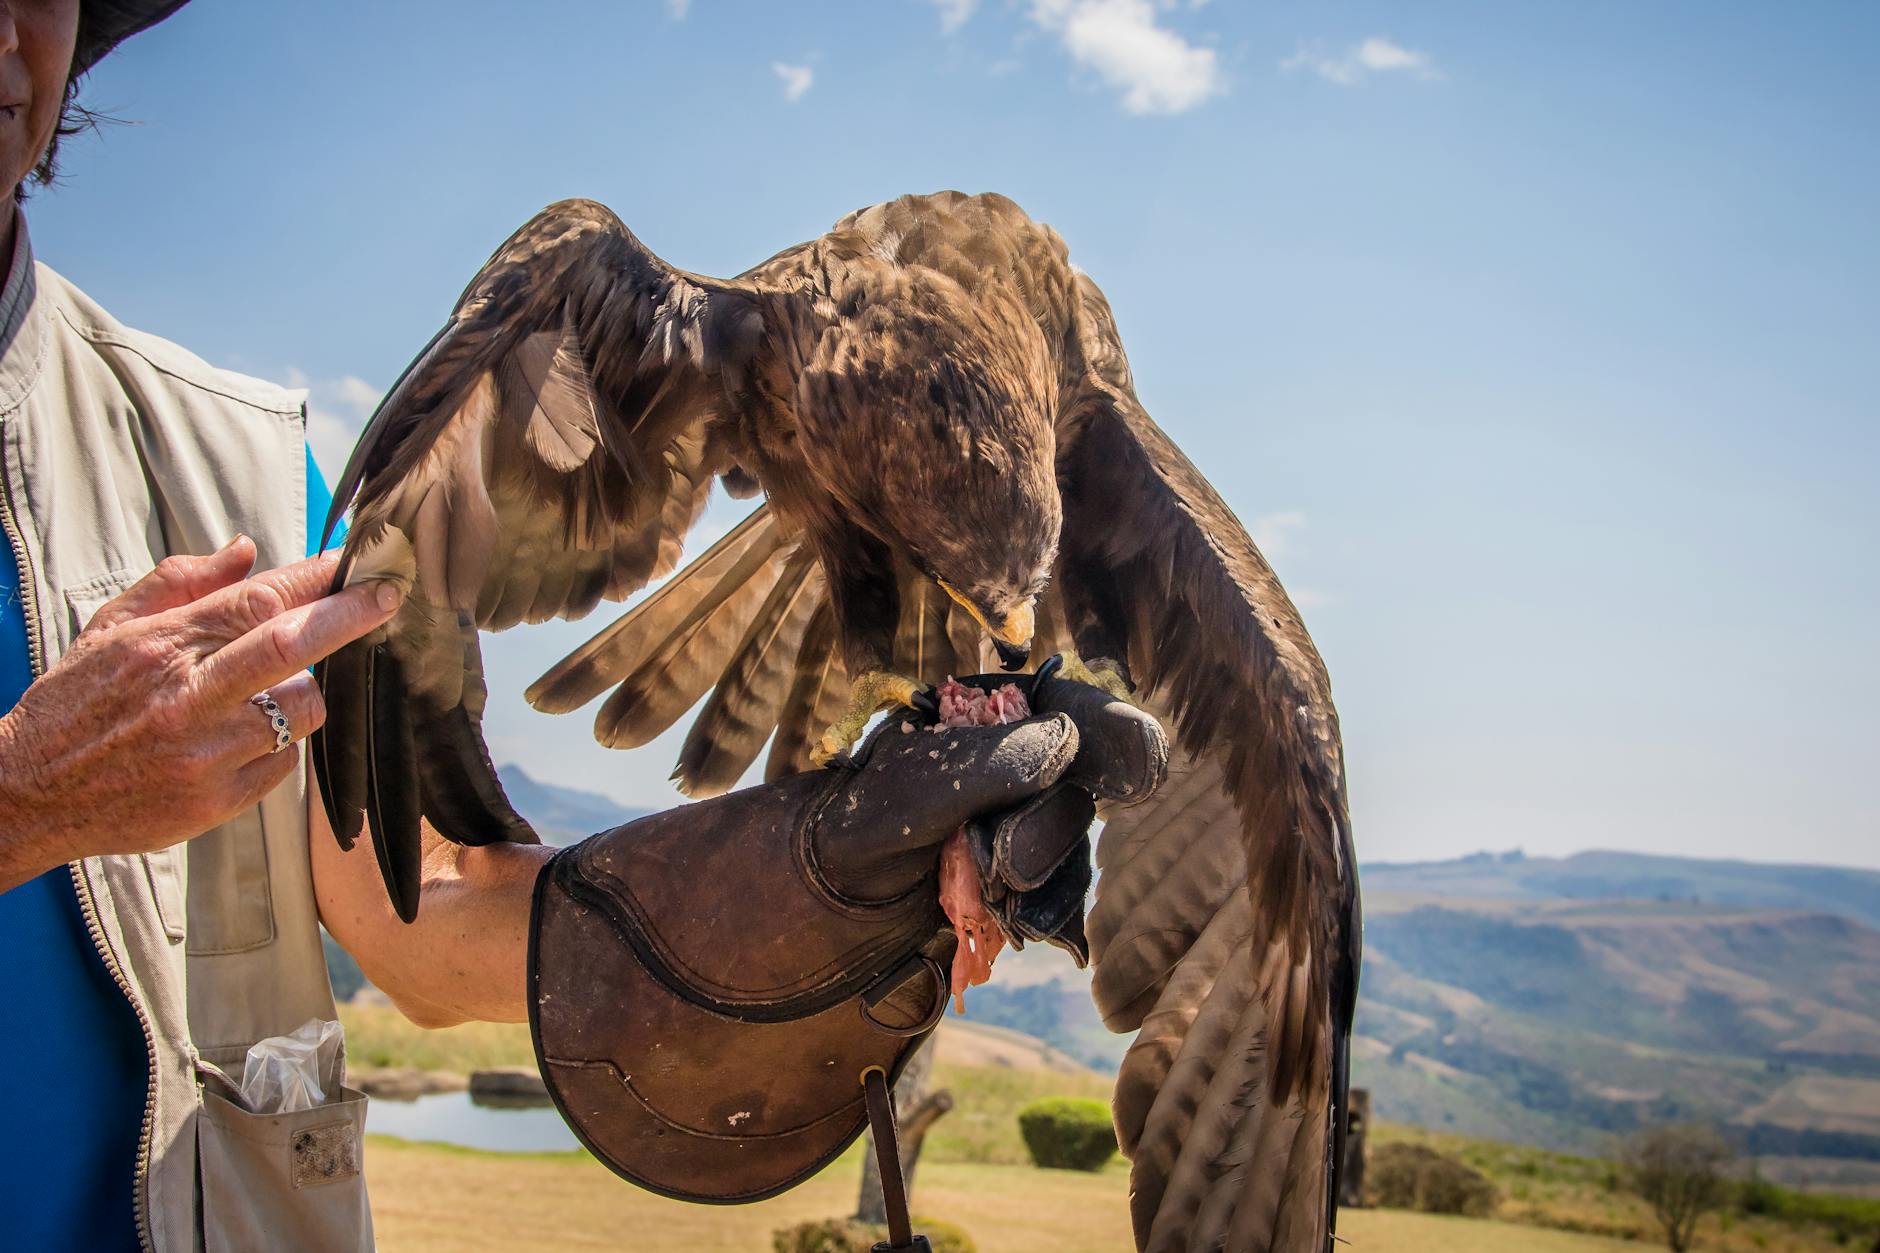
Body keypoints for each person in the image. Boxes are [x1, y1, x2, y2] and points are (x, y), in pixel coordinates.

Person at [0, 6, 1138, 1250]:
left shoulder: (234, 472)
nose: (8, 39)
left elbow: (420, 914)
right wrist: (24, 803)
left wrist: (806, 880)